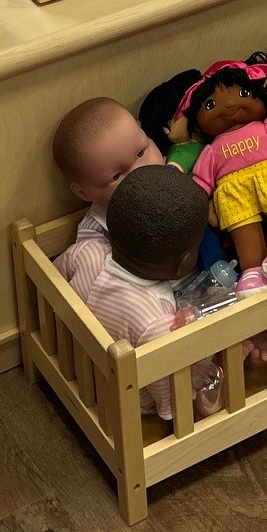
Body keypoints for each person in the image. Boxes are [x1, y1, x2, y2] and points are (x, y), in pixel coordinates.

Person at [85, 166, 223, 421]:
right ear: (183, 264)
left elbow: (61, 281)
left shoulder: (87, 252)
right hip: (131, 393)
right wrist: (176, 405)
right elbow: (166, 385)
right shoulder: (155, 322)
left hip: (84, 361)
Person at [50, 96, 164, 299]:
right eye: (116, 176)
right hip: (148, 304)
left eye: (140, 153)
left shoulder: (175, 176)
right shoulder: (96, 231)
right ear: (83, 192)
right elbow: (99, 278)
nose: (140, 172)